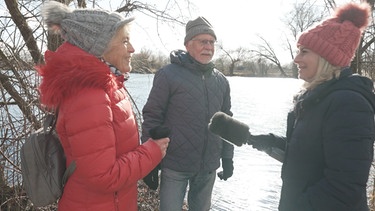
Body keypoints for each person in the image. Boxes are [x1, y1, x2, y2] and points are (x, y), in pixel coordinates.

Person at [37, 2, 169, 211]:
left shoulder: (104, 87)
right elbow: (103, 176)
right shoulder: (88, 96)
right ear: (99, 47)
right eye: (125, 41)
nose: (132, 48)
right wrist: (152, 152)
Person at [249, 2, 375, 210]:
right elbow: (312, 156)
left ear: (326, 57)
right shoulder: (317, 98)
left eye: (304, 52)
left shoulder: (348, 104)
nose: (296, 59)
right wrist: (270, 141)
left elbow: (344, 188)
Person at [141, 16, 234, 210]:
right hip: (175, 165)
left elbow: (227, 122)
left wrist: (227, 158)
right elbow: (152, 116)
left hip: (208, 167)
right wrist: (149, 161)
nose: (208, 47)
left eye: (211, 42)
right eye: (203, 42)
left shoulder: (221, 81)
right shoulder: (168, 75)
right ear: (188, 44)